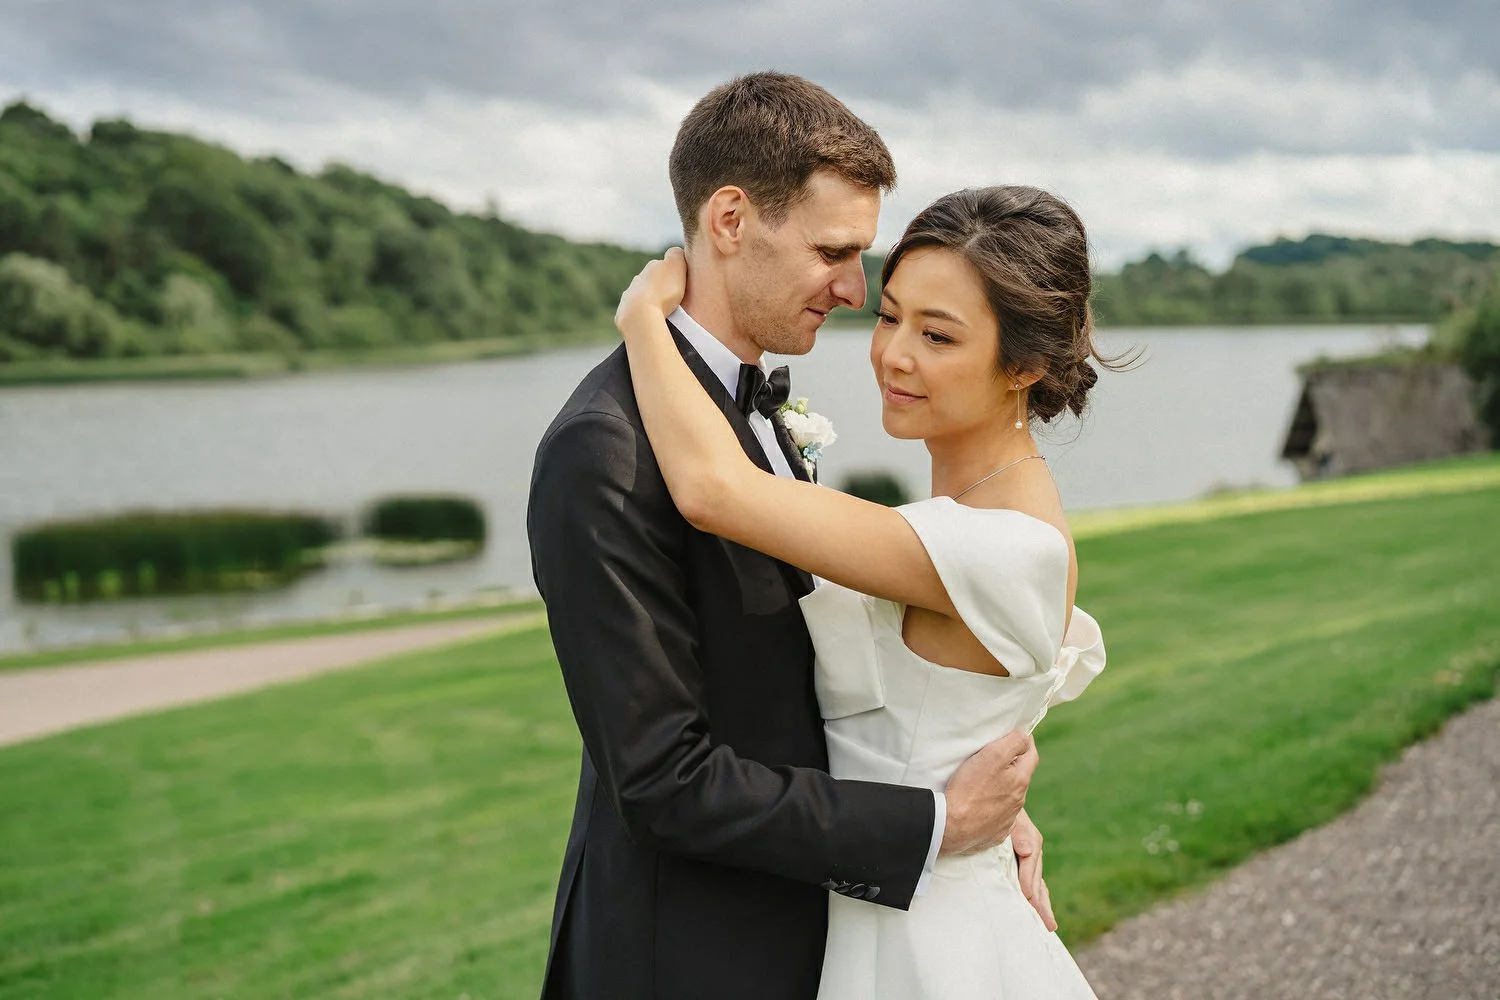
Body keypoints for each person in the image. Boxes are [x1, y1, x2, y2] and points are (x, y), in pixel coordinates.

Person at [528, 73, 1049, 1000]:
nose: (855, 290)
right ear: (730, 219)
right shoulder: (603, 452)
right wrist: (933, 824)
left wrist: (965, 800)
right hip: (687, 959)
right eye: (834, 251)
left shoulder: (753, 413)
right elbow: (660, 781)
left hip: (816, 930)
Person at [612, 184, 1115, 998]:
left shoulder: (1005, 544)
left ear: (1023, 365)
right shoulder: (969, 519)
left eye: (938, 334)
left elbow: (713, 491)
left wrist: (644, 320)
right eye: (890, 318)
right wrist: (980, 812)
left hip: (933, 946)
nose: (894, 355)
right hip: (881, 904)